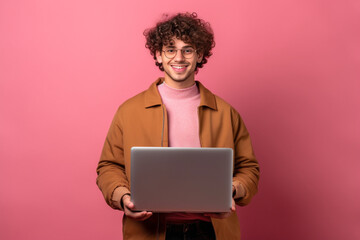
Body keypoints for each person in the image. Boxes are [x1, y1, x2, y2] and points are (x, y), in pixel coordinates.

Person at [96, 12, 260, 240]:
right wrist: (123, 196)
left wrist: (229, 191)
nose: (179, 58)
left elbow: (249, 168)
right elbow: (109, 166)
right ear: (158, 54)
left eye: (188, 50)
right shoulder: (128, 111)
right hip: (150, 231)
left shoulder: (226, 113)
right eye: (170, 49)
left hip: (211, 231)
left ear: (199, 54)